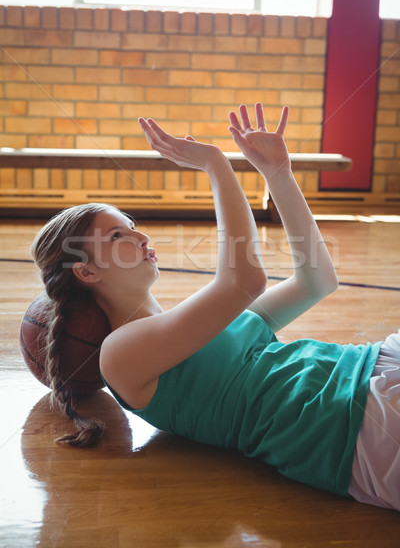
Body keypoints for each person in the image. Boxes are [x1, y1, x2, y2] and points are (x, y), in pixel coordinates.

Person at [30, 103, 400, 511]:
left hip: (370, 366)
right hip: (347, 424)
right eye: (118, 234)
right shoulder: (120, 355)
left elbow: (317, 282)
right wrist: (216, 164)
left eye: (132, 225)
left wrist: (278, 173)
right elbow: (244, 279)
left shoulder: (202, 325)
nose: (140, 237)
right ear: (86, 273)